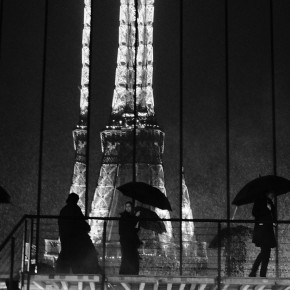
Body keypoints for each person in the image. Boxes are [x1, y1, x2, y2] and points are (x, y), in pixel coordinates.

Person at [56, 193, 101, 274]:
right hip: (76, 240)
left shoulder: (63, 210)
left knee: (66, 255)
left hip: (66, 239)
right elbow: (81, 223)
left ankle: (63, 272)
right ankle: (92, 270)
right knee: (89, 250)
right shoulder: (75, 209)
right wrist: (87, 228)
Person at [249, 191, 276, 277]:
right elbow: (255, 213)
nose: (273, 195)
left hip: (267, 229)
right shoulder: (260, 201)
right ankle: (259, 273)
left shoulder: (270, 202)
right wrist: (266, 209)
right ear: (267, 193)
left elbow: (273, 214)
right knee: (265, 252)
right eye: (272, 193)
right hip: (262, 230)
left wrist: (274, 221)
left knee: (265, 253)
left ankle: (255, 272)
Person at [119, 201, 141, 275]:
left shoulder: (126, 216)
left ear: (132, 208)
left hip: (128, 241)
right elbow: (129, 226)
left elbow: (132, 229)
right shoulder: (125, 216)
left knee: (128, 257)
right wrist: (136, 217)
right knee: (130, 257)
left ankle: (126, 273)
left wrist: (136, 222)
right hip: (127, 241)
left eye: (129, 206)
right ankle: (131, 273)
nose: (128, 208)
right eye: (127, 206)